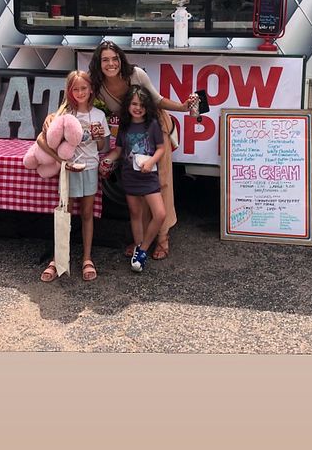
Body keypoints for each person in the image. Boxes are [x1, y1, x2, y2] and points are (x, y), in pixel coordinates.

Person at [88, 40, 196, 259]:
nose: (111, 64)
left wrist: (183, 108)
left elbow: (157, 100)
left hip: (156, 129)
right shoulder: (96, 84)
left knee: (161, 184)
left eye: (115, 58)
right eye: (105, 60)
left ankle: (163, 238)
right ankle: (142, 241)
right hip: (131, 134)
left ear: (121, 59)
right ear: (98, 63)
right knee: (138, 187)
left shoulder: (136, 74)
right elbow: (77, 101)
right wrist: (55, 118)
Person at [39, 70, 110, 283]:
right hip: (67, 171)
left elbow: (103, 146)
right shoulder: (62, 114)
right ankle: (58, 258)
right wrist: (60, 161)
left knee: (87, 214)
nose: (80, 92)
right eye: (75, 89)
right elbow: (42, 140)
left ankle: (87, 258)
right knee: (65, 213)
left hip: (89, 168)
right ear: (69, 91)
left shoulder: (99, 115)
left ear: (91, 90)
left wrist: (98, 138)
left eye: (84, 88)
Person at [101, 86, 165, 272]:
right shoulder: (125, 125)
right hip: (130, 176)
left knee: (159, 214)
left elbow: (160, 148)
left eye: (142, 105)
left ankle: (143, 249)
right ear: (128, 105)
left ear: (148, 107)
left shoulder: (152, 124)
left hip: (149, 177)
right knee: (135, 214)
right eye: (134, 104)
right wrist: (107, 160)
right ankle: (138, 247)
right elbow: (119, 150)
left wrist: (152, 160)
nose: (138, 108)